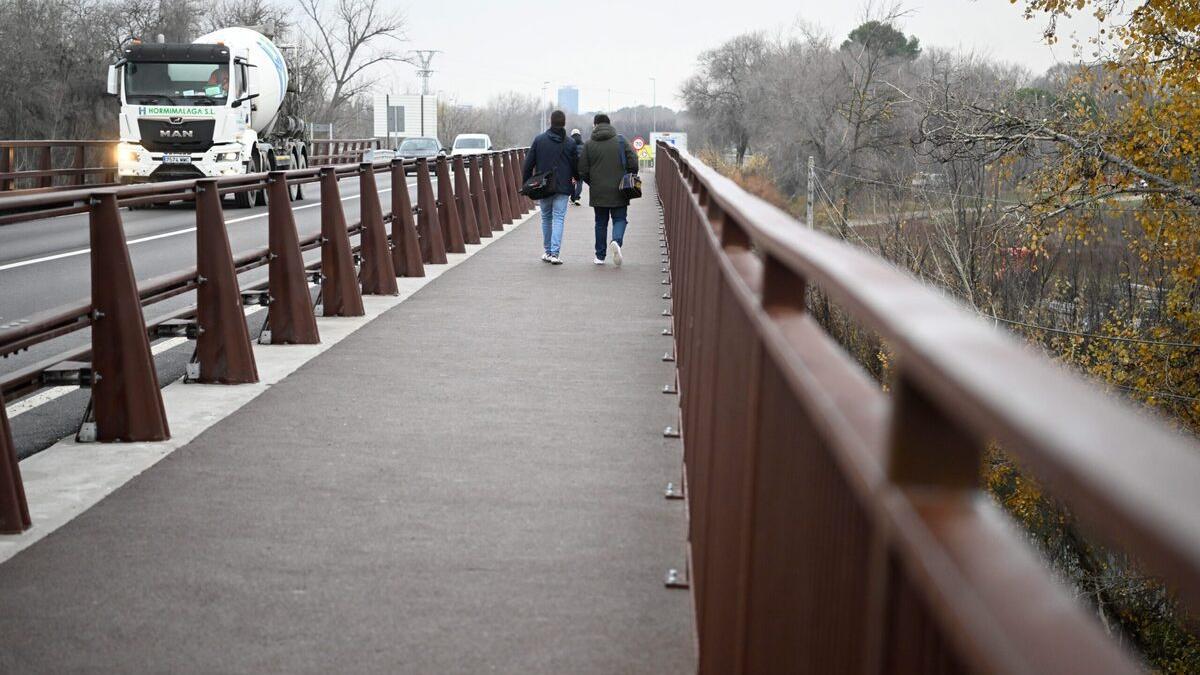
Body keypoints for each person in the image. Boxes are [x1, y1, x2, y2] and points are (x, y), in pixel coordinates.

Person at [577, 113, 638, 267]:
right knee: (620, 219)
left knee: (600, 223)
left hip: (598, 191)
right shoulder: (621, 140)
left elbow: (582, 170)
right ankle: (616, 241)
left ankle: (600, 256)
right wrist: (628, 177)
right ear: (609, 124)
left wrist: (593, 182)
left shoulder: (589, 144)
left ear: (595, 125)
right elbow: (633, 162)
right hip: (620, 189)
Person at [522, 109, 578, 265]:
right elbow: (576, 167)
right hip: (563, 187)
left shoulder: (539, 140)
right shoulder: (570, 143)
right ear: (564, 123)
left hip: (544, 187)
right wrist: (576, 181)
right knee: (559, 218)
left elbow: (528, 164)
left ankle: (547, 252)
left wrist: (526, 183)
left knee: (546, 218)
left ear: (550, 122)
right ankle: (555, 254)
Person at [569, 128, 584, 206]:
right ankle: (577, 198)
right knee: (579, 183)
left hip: (572, 166)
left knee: (572, 183)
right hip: (581, 167)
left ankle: (572, 198)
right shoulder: (584, 145)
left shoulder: (569, 144)